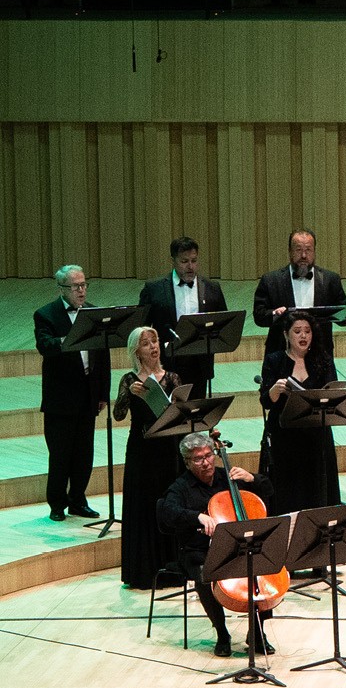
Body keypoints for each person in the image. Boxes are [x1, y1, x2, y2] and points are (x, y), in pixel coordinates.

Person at [158, 433, 275, 657]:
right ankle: (222, 633)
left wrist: (252, 479)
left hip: (238, 548)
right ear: (187, 462)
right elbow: (167, 512)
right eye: (198, 459)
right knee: (205, 574)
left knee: (263, 569)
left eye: (209, 455)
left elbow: (268, 490)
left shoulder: (228, 478)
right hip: (198, 550)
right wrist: (197, 517)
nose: (206, 462)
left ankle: (257, 632)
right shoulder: (180, 487)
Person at [34, 265, 111, 522]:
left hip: (88, 395)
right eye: (76, 286)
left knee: (84, 453)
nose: (81, 290)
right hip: (61, 399)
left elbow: (103, 356)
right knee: (60, 454)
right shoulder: (46, 314)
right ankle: (57, 503)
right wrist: (71, 338)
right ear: (62, 289)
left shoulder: (94, 312)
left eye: (84, 285)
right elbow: (45, 346)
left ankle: (78, 500)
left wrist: (103, 393)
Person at [114, 327, 182, 588]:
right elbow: (118, 415)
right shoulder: (129, 379)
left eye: (155, 341)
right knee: (144, 505)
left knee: (169, 502)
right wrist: (129, 393)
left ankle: (173, 567)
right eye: (146, 343)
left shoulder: (172, 378)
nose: (153, 346)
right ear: (136, 351)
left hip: (168, 449)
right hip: (141, 452)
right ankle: (143, 571)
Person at [258, 309, 341, 515]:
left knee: (318, 489)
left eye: (307, 331)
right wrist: (274, 391)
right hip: (284, 435)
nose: (303, 336)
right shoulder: (274, 360)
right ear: (286, 335)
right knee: (288, 491)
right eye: (297, 331)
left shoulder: (323, 360)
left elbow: (333, 394)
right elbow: (266, 401)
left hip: (316, 434)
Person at [138, 236, 228, 399]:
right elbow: (141, 328)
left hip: (199, 364)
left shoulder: (212, 287)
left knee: (195, 414)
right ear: (172, 260)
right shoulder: (154, 289)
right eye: (184, 261)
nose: (190, 266)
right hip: (166, 363)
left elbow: (223, 322)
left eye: (194, 261)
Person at [253, 227, 346, 357]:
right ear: (290, 251)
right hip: (281, 354)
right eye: (298, 250)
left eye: (308, 250)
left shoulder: (330, 279)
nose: (304, 256)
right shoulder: (271, 280)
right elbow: (259, 316)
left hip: (320, 355)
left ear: (314, 251)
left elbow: (341, 311)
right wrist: (274, 314)